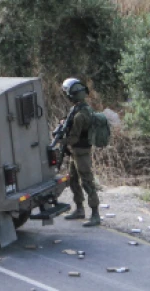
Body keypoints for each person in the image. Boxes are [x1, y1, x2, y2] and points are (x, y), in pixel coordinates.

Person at [57, 78, 101, 227]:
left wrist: (61, 141)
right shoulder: (80, 108)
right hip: (76, 152)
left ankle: (95, 214)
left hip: (81, 152)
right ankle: (79, 209)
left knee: (87, 182)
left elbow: (74, 138)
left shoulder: (80, 115)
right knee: (73, 180)